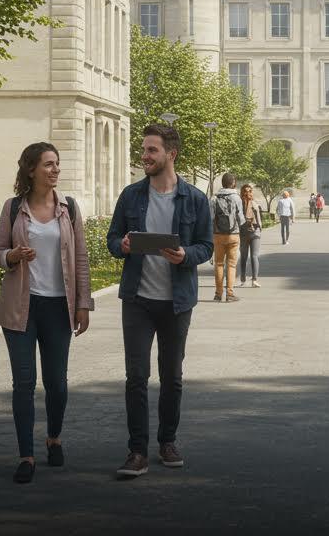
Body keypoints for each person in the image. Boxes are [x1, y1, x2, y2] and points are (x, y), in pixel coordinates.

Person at [106, 123, 213, 477]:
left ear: (171, 154)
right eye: (144, 149)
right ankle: (137, 451)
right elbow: (113, 238)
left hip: (177, 301)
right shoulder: (132, 195)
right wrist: (120, 246)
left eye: (152, 150)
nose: (145, 156)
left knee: (172, 376)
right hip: (138, 299)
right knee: (136, 376)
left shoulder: (194, 198)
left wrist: (186, 255)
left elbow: (206, 246)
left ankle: (167, 441)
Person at [0, 142, 92, 484]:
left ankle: (53, 437)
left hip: (58, 305)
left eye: (57, 164)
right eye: (49, 164)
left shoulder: (70, 209)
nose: (55, 170)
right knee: (23, 384)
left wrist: (83, 304)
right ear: (31, 169)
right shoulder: (12, 208)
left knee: (57, 385)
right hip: (22, 305)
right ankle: (26, 456)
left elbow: (80, 259)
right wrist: (13, 256)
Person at [211, 172, 245, 303]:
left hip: (218, 235)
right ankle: (230, 294)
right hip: (233, 235)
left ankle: (218, 294)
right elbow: (240, 219)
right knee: (231, 265)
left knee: (219, 264)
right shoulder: (236, 198)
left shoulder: (214, 198)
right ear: (233, 183)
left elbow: (210, 218)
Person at [238, 183, 265, 288]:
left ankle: (245, 280)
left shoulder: (241, 204)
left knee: (247, 256)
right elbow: (259, 219)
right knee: (252, 256)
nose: (249, 193)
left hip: (246, 233)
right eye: (248, 191)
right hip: (252, 232)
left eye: (249, 191)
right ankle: (251, 280)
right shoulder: (253, 203)